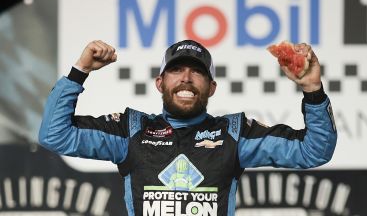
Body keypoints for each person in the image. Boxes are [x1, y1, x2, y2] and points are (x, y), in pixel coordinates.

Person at [39, 39, 337, 216]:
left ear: (211, 87)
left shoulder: (235, 133)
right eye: (176, 70)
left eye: (197, 72)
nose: (186, 78)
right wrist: (80, 72)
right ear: (160, 83)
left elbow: (313, 151)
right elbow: (55, 135)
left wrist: (313, 91)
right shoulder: (131, 130)